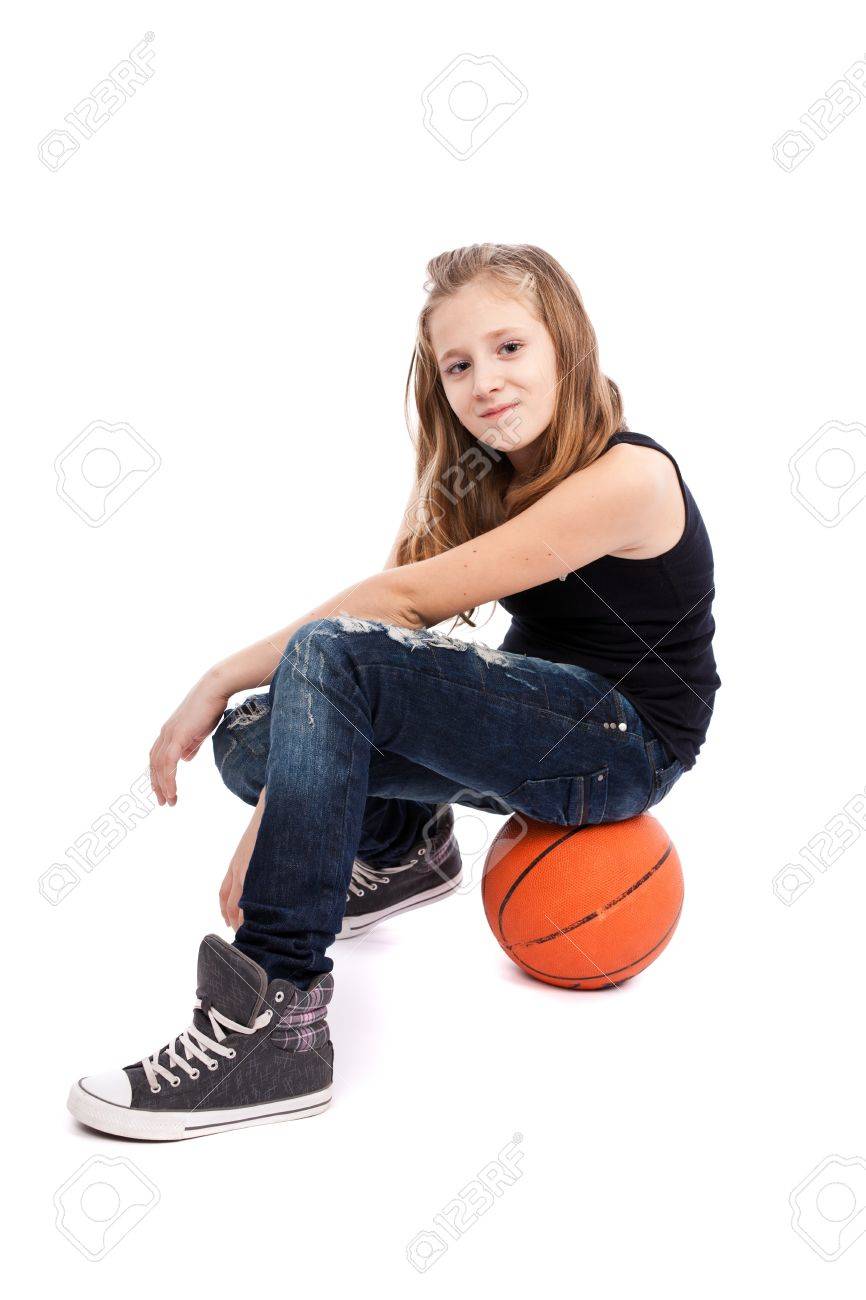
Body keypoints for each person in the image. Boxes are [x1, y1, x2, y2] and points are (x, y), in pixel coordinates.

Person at [67, 242, 721, 1141]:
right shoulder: (483, 478)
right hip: (542, 727)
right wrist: (276, 789)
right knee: (253, 741)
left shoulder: (630, 479)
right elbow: (380, 633)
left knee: (320, 672)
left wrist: (218, 678)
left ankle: (277, 1020)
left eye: (509, 348)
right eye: (459, 365)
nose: (484, 381)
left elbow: (384, 619)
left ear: (565, 344)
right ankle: (405, 846)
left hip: (622, 744)